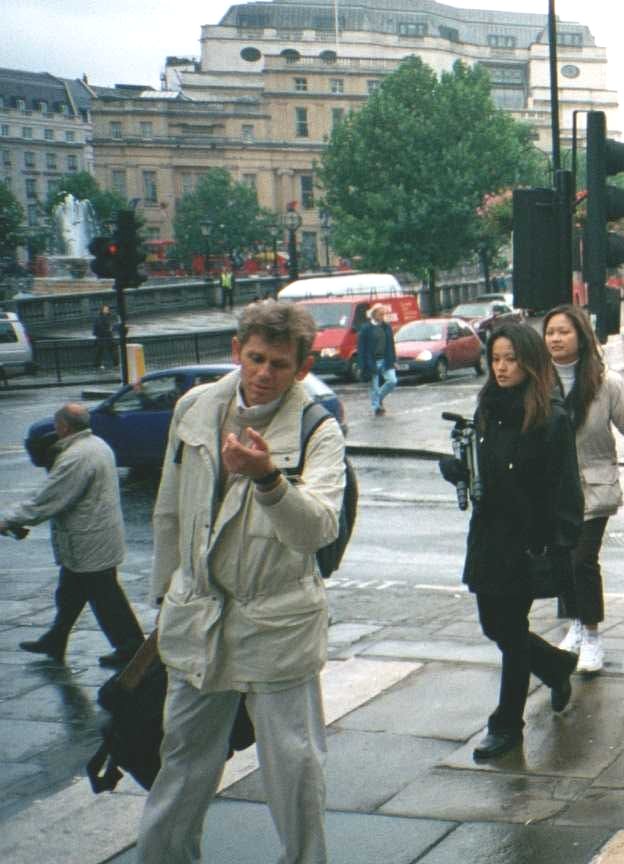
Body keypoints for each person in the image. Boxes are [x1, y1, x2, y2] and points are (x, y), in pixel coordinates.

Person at [139, 300, 346, 864]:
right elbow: (168, 512)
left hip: (276, 620)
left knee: (294, 769)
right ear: (237, 352)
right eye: (255, 358)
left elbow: (318, 530)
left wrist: (270, 480)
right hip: (198, 613)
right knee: (182, 763)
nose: (263, 374)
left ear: (301, 367)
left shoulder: (317, 426)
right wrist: (166, 600)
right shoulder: (195, 407)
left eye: (279, 364)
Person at [441, 323, 583, 760]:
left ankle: (507, 725)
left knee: (511, 628)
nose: (501, 368)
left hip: (527, 538)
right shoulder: (487, 407)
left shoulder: (550, 417)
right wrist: (461, 471)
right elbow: (487, 470)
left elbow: (565, 488)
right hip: (488, 535)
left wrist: (559, 545)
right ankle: (556, 666)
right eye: (496, 359)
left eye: (511, 360)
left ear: (529, 362)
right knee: (496, 626)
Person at [544, 306, 624, 674]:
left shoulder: (605, 383)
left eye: (563, 332)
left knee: (582, 560)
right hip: (552, 491)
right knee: (561, 560)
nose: (555, 338)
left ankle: (591, 635)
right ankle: (573, 623)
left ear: (581, 336)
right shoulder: (537, 381)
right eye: (550, 332)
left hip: (593, 486)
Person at [3, 403, 144, 667]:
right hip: (93, 538)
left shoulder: (76, 457)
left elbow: (47, 500)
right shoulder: (97, 444)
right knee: (69, 594)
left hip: (88, 541)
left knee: (106, 599)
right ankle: (56, 639)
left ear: (63, 427)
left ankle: (131, 647)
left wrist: (7, 519)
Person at [356, 304, 398, 417]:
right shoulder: (366, 329)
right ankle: (376, 408)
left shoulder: (386, 327)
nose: (383, 316)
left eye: (384, 314)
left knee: (392, 381)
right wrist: (361, 365)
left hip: (386, 360)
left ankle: (377, 398)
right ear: (373, 314)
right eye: (380, 314)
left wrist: (394, 360)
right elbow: (361, 348)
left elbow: (391, 345)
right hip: (373, 361)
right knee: (374, 385)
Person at [92, 305, 118, 369]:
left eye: (107, 309)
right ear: (102, 310)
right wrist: (109, 330)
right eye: (105, 309)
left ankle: (116, 364)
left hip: (107, 336)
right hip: (103, 337)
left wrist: (111, 329)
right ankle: (97, 365)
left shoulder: (107, 316)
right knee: (100, 351)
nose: (107, 310)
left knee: (111, 350)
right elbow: (100, 327)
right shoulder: (100, 317)